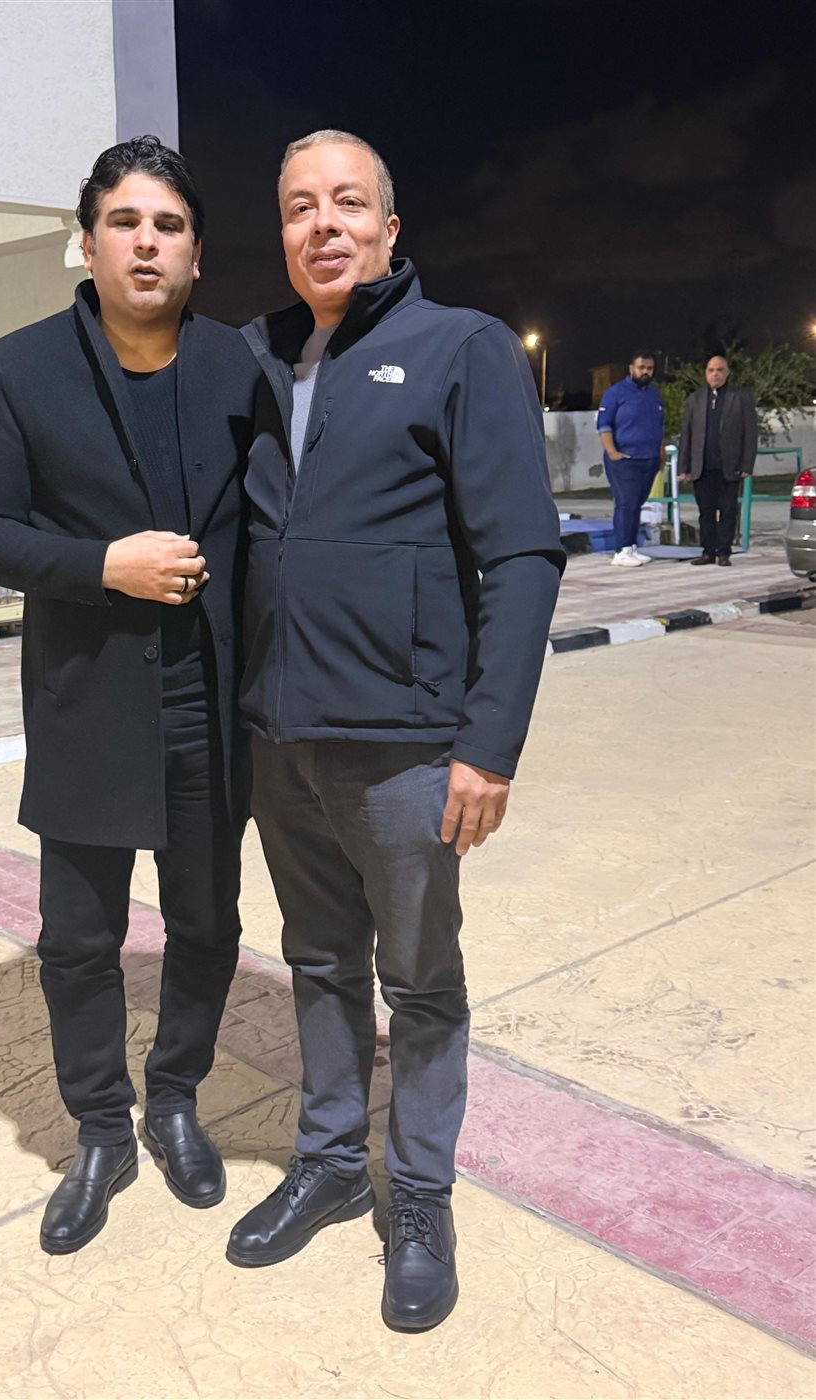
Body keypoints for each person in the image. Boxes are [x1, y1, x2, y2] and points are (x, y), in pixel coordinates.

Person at [225, 129, 565, 1332]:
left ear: (388, 227)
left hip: (408, 745)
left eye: (347, 202)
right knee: (318, 961)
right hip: (282, 740)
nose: (322, 224)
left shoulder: (461, 348)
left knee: (419, 980)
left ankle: (418, 1194)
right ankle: (329, 1161)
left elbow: (522, 554)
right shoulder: (256, 358)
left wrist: (489, 744)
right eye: (298, 206)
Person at [0, 136, 259, 1255]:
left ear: (196, 253)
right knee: (79, 939)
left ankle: (174, 1099)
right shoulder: (22, 366)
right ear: (88, 243)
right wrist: (101, 565)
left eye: (169, 225)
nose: (147, 243)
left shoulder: (240, 369)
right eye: (125, 222)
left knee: (207, 924)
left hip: (209, 703)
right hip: (86, 701)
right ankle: (99, 1129)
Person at [677, 355, 758, 565]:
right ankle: (708, 552)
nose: (715, 374)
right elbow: (686, 435)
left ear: (727, 373)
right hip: (702, 467)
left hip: (729, 467)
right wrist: (682, 468)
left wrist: (746, 464)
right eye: (711, 370)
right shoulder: (695, 400)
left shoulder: (740, 397)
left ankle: (723, 553)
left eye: (720, 370)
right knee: (706, 512)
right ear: (706, 373)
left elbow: (750, 433)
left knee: (728, 511)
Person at [596, 353, 665, 567]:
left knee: (637, 503)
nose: (645, 372)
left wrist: (660, 453)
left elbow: (659, 426)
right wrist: (613, 453)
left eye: (649, 368)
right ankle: (621, 550)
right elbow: (604, 425)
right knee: (626, 503)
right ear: (631, 368)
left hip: (649, 459)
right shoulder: (615, 393)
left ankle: (632, 546)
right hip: (625, 459)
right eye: (641, 367)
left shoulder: (654, 393)